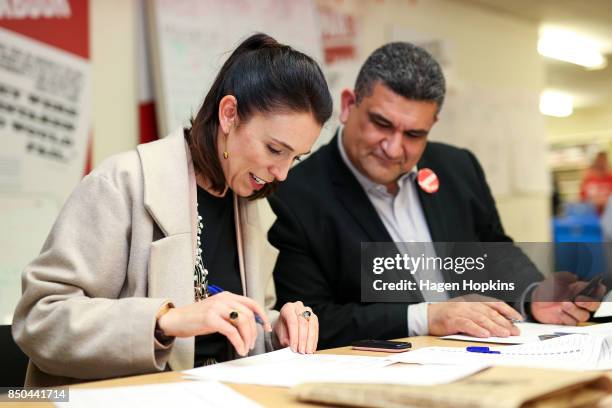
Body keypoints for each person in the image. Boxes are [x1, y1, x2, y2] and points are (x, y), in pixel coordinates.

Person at [12, 33, 333, 386]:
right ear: (229, 115)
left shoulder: (249, 203)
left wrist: (275, 329)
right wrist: (165, 321)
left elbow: (230, 327)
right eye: (274, 149)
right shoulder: (123, 183)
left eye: (295, 157)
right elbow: (40, 320)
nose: (283, 173)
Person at [268, 41, 603, 349]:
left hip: (484, 354)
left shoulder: (458, 167)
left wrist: (533, 295)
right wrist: (425, 317)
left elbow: (494, 252)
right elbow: (308, 320)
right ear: (348, 105)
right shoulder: (294, 194)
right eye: (381, 123)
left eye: (414, 134)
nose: (393, 147)